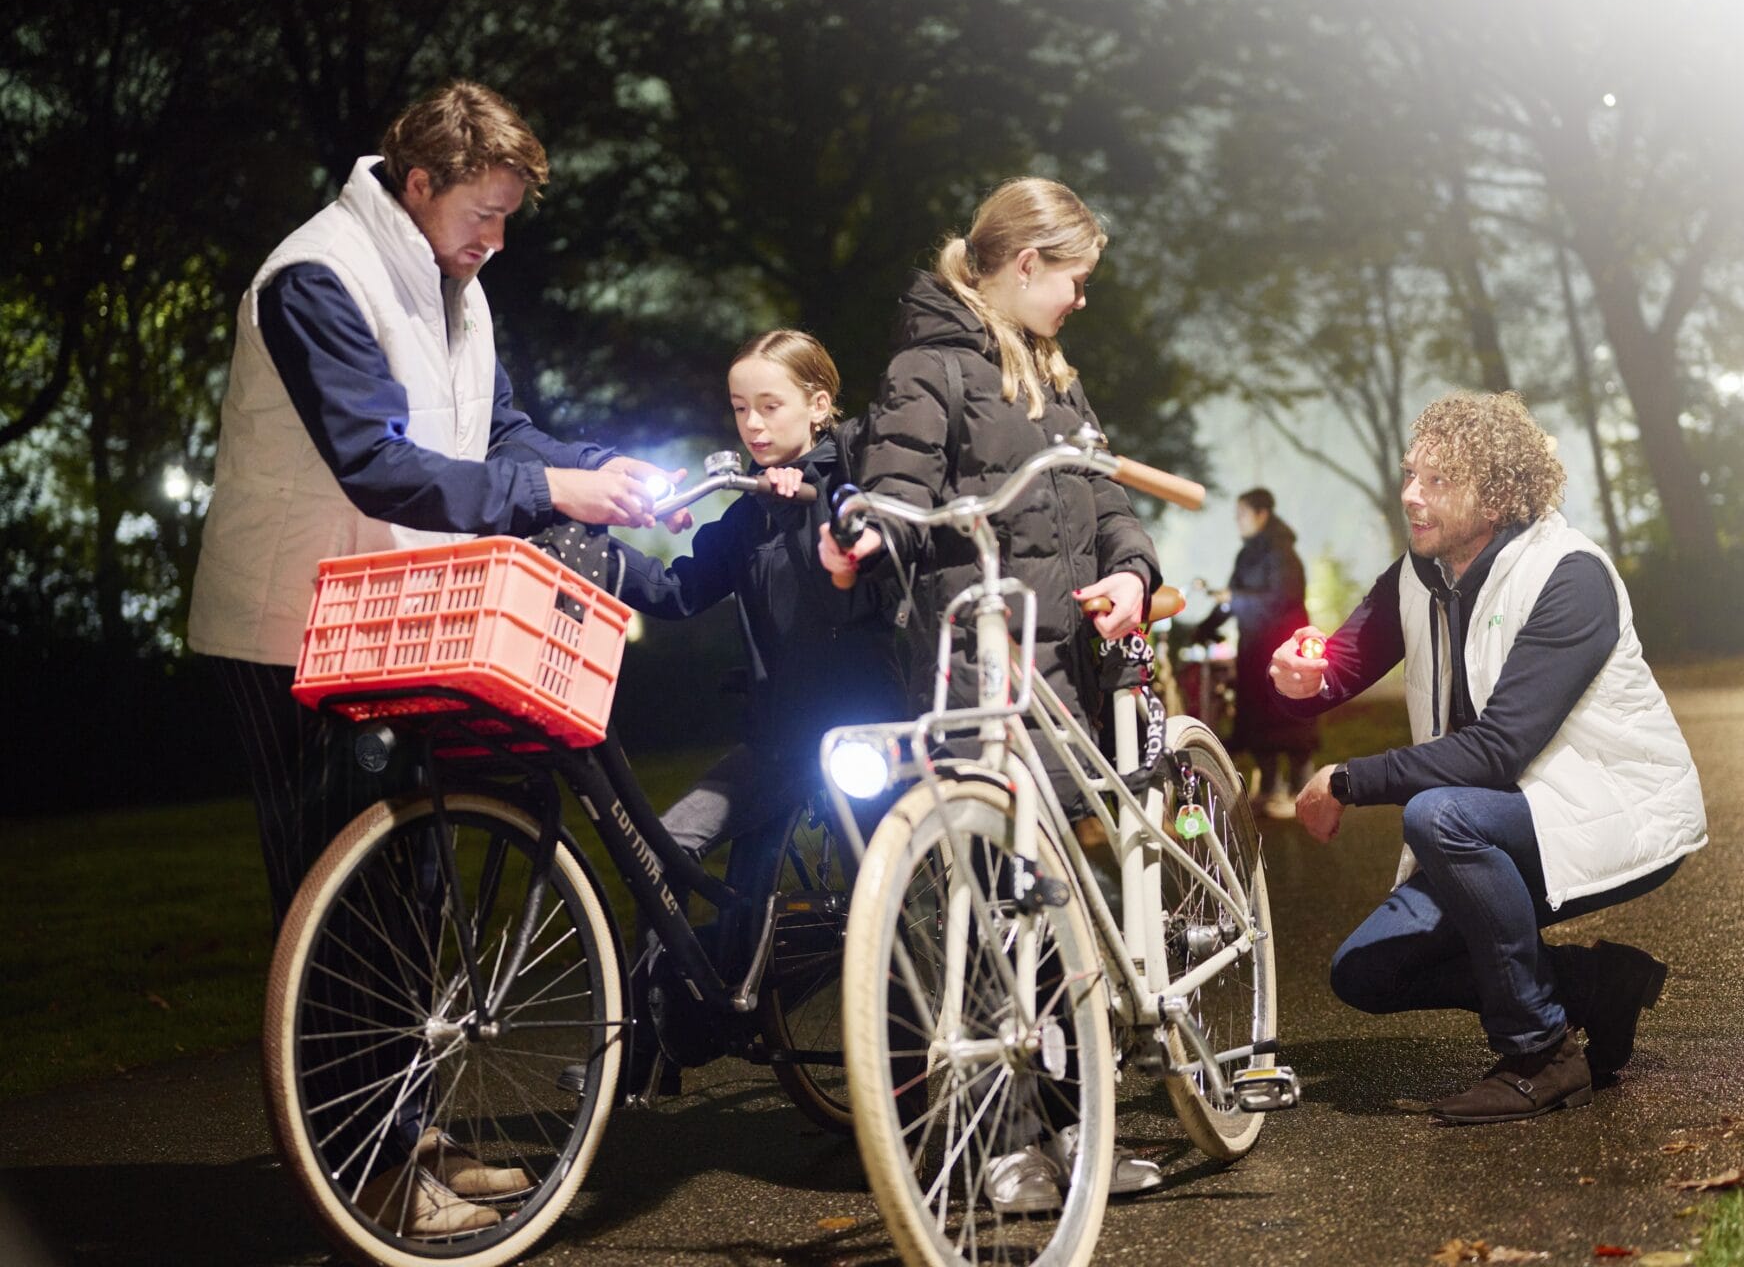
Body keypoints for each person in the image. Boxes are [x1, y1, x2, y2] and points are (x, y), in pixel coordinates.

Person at [187, 80, 677, 1234]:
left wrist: (601, 469)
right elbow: (378, 459)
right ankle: (376, 1169)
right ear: (418, 184)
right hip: (289, 625)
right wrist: (553, 489)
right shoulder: (316, 277)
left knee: (408, 883)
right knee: (338, 901)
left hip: (393, 613)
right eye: (482, 213)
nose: (495, 242)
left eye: (507, 218)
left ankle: (416, 1136)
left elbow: (493, 432)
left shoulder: (456, 282)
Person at [819, 177, 1164, 1210]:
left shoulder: (1055, 377)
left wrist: (1132, 572)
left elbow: (1105, 498)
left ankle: (1077, 1127)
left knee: (1054, 916)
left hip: (1061, 676)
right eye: (1074, 278)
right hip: (977, 674)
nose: (1080, 299)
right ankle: (1001, 1140)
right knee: (981, 915)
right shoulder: (930, 367)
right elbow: (899, 482)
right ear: (1025, 266)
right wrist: (868, 526)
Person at [1267, 390, 1707, 1125]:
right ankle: (1593, 984)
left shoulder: (1570, 576)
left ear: (1500, 494)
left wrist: (1347, 781)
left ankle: (1540, 1053)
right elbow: (1338, 666)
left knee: (1439, 818)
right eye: (1411, 475)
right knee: (1367, 972)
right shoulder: (1421, 570)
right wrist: (1298, 682)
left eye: (1438, 482)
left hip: (1604, 808)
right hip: (1498, 816)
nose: (1412, 495)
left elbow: (1498, 751)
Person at [613, 327, 906, 888]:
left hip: (864, 735)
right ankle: (691, 978)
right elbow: (679, 591)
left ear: (818, 405)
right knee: (664, 850)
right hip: (781, 740)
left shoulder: (854, 483)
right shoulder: (747, 513)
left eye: (770, 407)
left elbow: (848, 594)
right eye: (741, 408)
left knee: (886, 894)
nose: (753, 424)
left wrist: (801, 508)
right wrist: (599, 554)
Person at [1192, 488, 1320, 818]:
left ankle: (1300, 790)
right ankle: (1269, 788)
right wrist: (1208, 624)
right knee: (1258, 719)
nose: (1237, 521)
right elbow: (1234, 595)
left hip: (1283, 647)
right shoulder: (1247, 555)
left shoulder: (1282, 552)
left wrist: (1235, 599)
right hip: (1254, 649)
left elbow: (1279, 597)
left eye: (1242, 514)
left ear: (1261, 514)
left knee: (1289, 716)